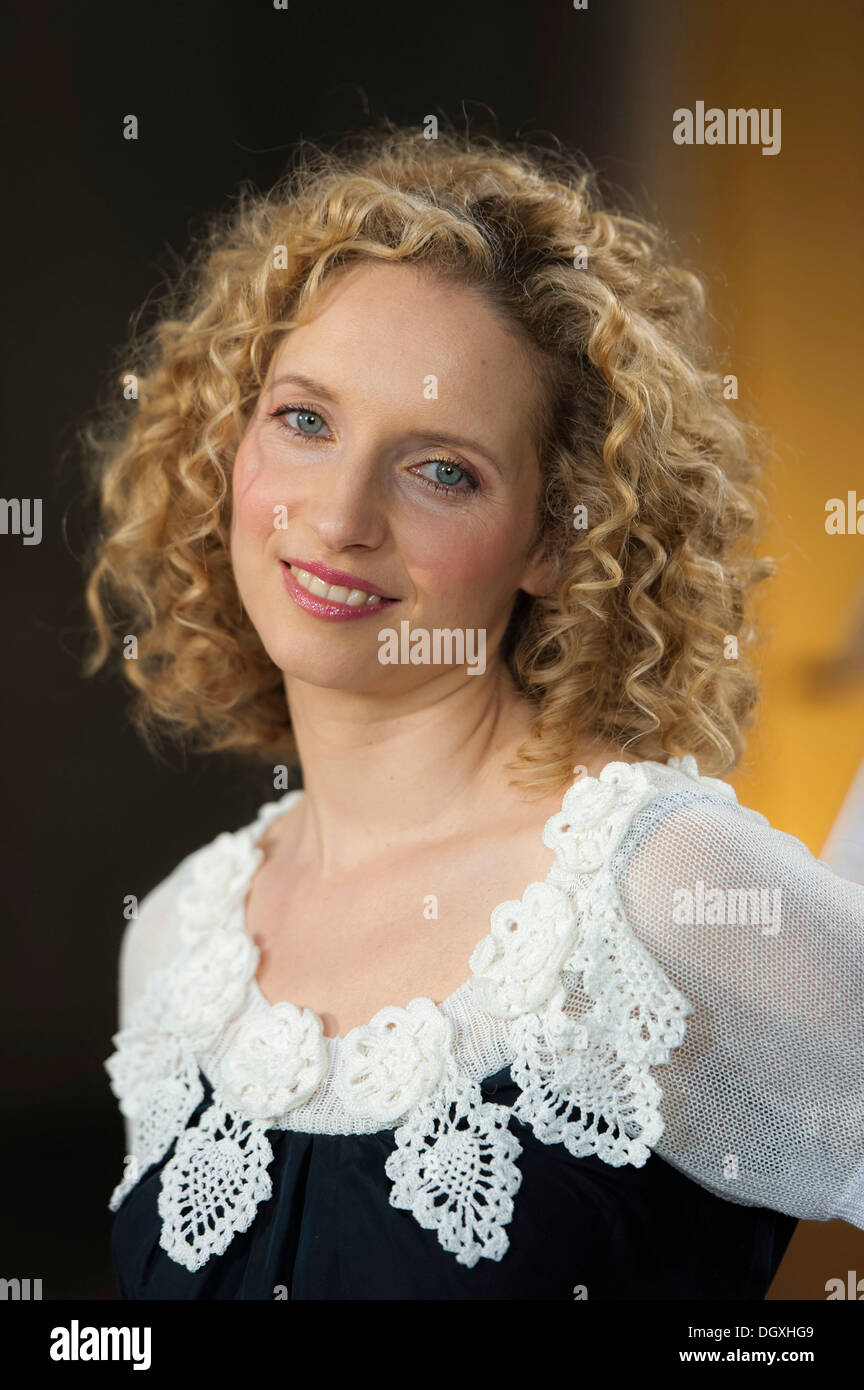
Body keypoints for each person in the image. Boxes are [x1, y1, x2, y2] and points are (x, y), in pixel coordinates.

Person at [83, 123, 864, 1300]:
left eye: (441, 469)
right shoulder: (178, 939)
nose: (340, 513)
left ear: (556, 537)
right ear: (227, 443)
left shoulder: (654, 886)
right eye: (305, 419)